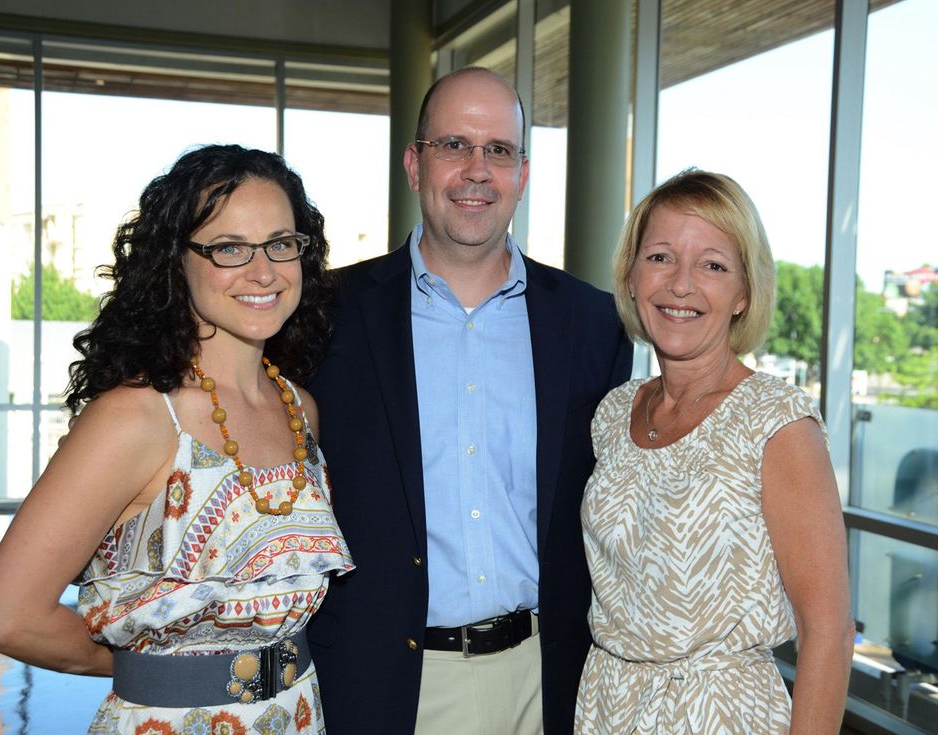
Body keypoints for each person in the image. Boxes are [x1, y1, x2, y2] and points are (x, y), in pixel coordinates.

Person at [0, 144, 353, 732]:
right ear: (177, 262)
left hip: (299, 714)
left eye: (281, 243)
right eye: (229, 248)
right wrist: (147, 667)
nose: (264, 271)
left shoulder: (299, 410)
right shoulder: (138, 418)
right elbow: (5, 617)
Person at [306, 67, 633, 734]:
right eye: (454, 145)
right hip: (384, 685)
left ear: (523, 171)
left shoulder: (593, 324)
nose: (477, 170)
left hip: (546, 682)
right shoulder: (325, 318)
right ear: (413, 164)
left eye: (499, 150)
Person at [575, 169, 854, 733]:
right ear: (630, 276)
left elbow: (829, 629)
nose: (681, 284)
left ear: (743, 292)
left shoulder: (774, 421)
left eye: (713, 265)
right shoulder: (613, 413)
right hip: (606, 705)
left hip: (720, 714)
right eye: (659, 257)